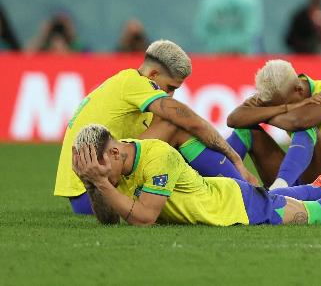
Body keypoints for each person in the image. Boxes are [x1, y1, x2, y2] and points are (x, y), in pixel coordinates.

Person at [71, 124, 321, 226]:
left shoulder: (156, 157)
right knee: (287, 199)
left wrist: (101, 183)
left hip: (236, 207)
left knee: (320, 216)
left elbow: (144, 218)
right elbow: (108, 218)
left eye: (100, 166)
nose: (102, 175)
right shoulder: (118, 163)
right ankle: (316, 186)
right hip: (222, 194)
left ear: (115, 152)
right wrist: (93, 181)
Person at [54, 40, 257, 215]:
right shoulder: (134, 83)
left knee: (168, 138)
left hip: (84, 193)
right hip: (93, 195)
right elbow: (190, 122)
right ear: (152, 74)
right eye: (170, 88)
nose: (171, 96)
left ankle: (233, 181)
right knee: (175, 123)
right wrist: (234, 157)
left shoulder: (123, 86)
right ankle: (246, 193)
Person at [228, 60, 321, 191]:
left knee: (306, 128)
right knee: (247, 130)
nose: (278, 107)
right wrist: (287, 107)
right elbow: (234, 119)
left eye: (281, 104)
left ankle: (279, 189)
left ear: (299, 89)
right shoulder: (276, 92)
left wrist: (262, 115)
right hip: (301, 178)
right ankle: (218, 183)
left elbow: (299, 121)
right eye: (274, 106)